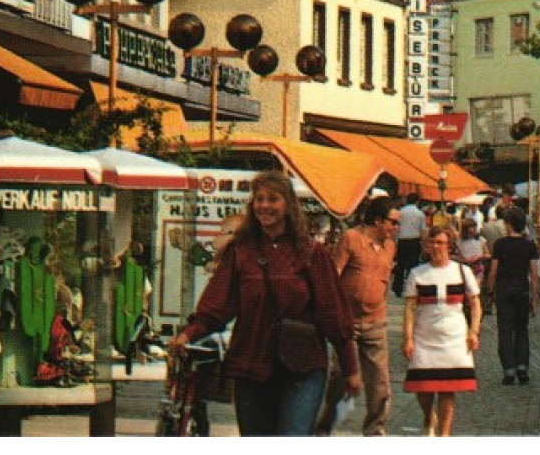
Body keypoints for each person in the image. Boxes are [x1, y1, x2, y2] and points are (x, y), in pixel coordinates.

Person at [172, 170, 361, 436]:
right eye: (259, 199)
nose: (264, 206)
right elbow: (216, 306)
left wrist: (350, 369)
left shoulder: (311, 252)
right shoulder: (240, 252)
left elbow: (334, 314)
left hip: (302, 366)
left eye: (273, 199)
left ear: (288, 205)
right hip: (251, 365)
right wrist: (188, 334)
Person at [315, 197, 396, 437]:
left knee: (380, 381)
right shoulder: (351, 238)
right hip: (347, 322)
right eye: (393, 222)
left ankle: (374, 429)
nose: (396, 227)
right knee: (341, 379)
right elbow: (333, 275)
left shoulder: (390, 246)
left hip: (376, 321)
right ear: (378, 220)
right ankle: (325, 427)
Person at [402, 226, 482, 436]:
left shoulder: (462, 271)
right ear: (426, 246)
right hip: (425, 335)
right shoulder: (417, 273)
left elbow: (475, 303)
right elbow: (410, 308)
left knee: (448, 386)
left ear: (449, 245)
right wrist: (408, 338)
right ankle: (429, 417)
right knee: (422, 385)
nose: (436, 247)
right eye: (432, 243)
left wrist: (473, 331)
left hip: (454, 336)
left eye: (440, 242)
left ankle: (444, 435)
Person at [485, 206, 540, 385]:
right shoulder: (529, 245)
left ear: (508, 224)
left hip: (503, 290)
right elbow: (534, 274)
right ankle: (522, 367)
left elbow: (493, 271)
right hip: (522, 290)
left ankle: (509, 369)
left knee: (505, 330)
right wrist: (535, 297)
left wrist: (489, 291)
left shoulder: (500, 244)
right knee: (522, 330)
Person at [392, 193, 426, 294]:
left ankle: (397, 288)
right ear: (417, 202)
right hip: (414, 241)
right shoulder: (420, 214)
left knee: (400, 265)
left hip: (402, 241)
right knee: (413, 266)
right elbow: (423, 231)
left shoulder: (400, 213)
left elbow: (396, 229)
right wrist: (423, 244)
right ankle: (411, 288)